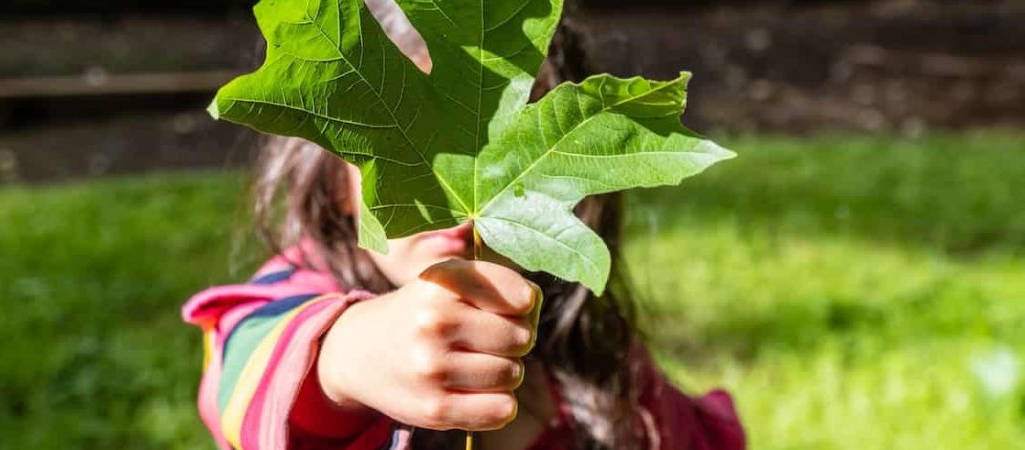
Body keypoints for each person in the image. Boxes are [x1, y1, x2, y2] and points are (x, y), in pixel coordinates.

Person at [182, 1, 745, 449]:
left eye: (504, 145)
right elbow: (249, 372)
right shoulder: (295, 297)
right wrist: (351, 358)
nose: (457, 196)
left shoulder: (588, 351)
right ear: (334, 182)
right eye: (413, 152)